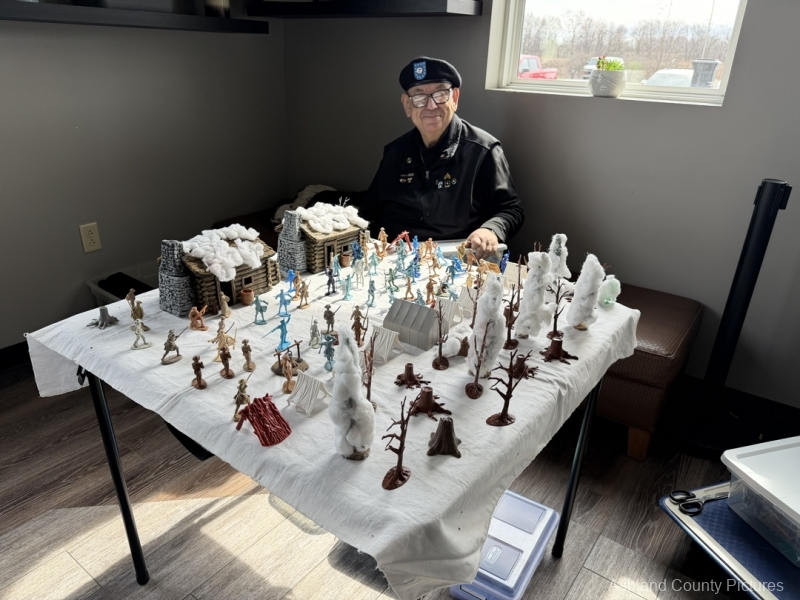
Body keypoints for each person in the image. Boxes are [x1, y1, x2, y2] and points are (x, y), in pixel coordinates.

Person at [361, 57, 524, 260]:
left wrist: (490, 230)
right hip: (396, 257)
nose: (431, 106)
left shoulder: (483, 150)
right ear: (407, 105)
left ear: (454, 98)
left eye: (440, 94)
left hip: (456, 258)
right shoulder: (395, 153)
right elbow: (369, 213)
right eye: (419, 97)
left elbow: (510, 210)